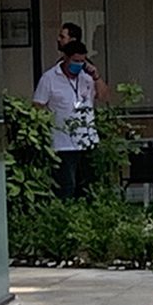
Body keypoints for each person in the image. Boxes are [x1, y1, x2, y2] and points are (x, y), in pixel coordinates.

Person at [33, 40, 108, 198]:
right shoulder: (49, 78)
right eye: (75, 61)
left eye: (82, 61)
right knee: (66, 186)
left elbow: (104, 96)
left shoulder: (87, 77)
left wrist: (96, 76)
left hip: (87, 141)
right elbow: (37, 107)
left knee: (89, 186)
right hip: (62, 143)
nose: (78, 65)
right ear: (65, 58)